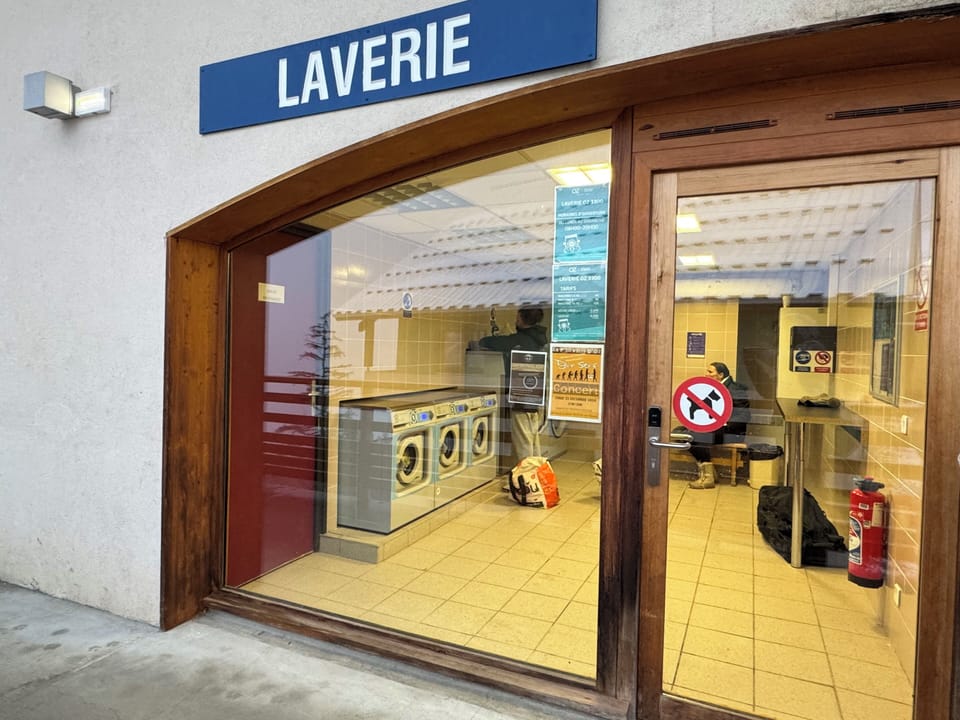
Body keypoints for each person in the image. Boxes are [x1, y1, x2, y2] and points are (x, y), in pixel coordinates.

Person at [477, 307, 548, 474]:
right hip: (537, 396)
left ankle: (526, 481)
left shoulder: (519, 339)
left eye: (517, 317)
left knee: (523, 443)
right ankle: (537, 478)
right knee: (533, 441)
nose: (516, 320)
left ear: (522, 319)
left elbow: (486, 342)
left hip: (522, 397)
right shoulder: (539, 339)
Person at [681, 361, 750, 489]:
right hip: (718, 428)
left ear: (721, 375)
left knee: (694, 436)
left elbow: (744, 416)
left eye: (710, 372)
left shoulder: (735, 390)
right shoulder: (715, 388)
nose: (706, 374)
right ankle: (710, 473)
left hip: (732, 433)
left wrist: (720, 424)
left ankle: (708, 478)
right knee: (681, 433)